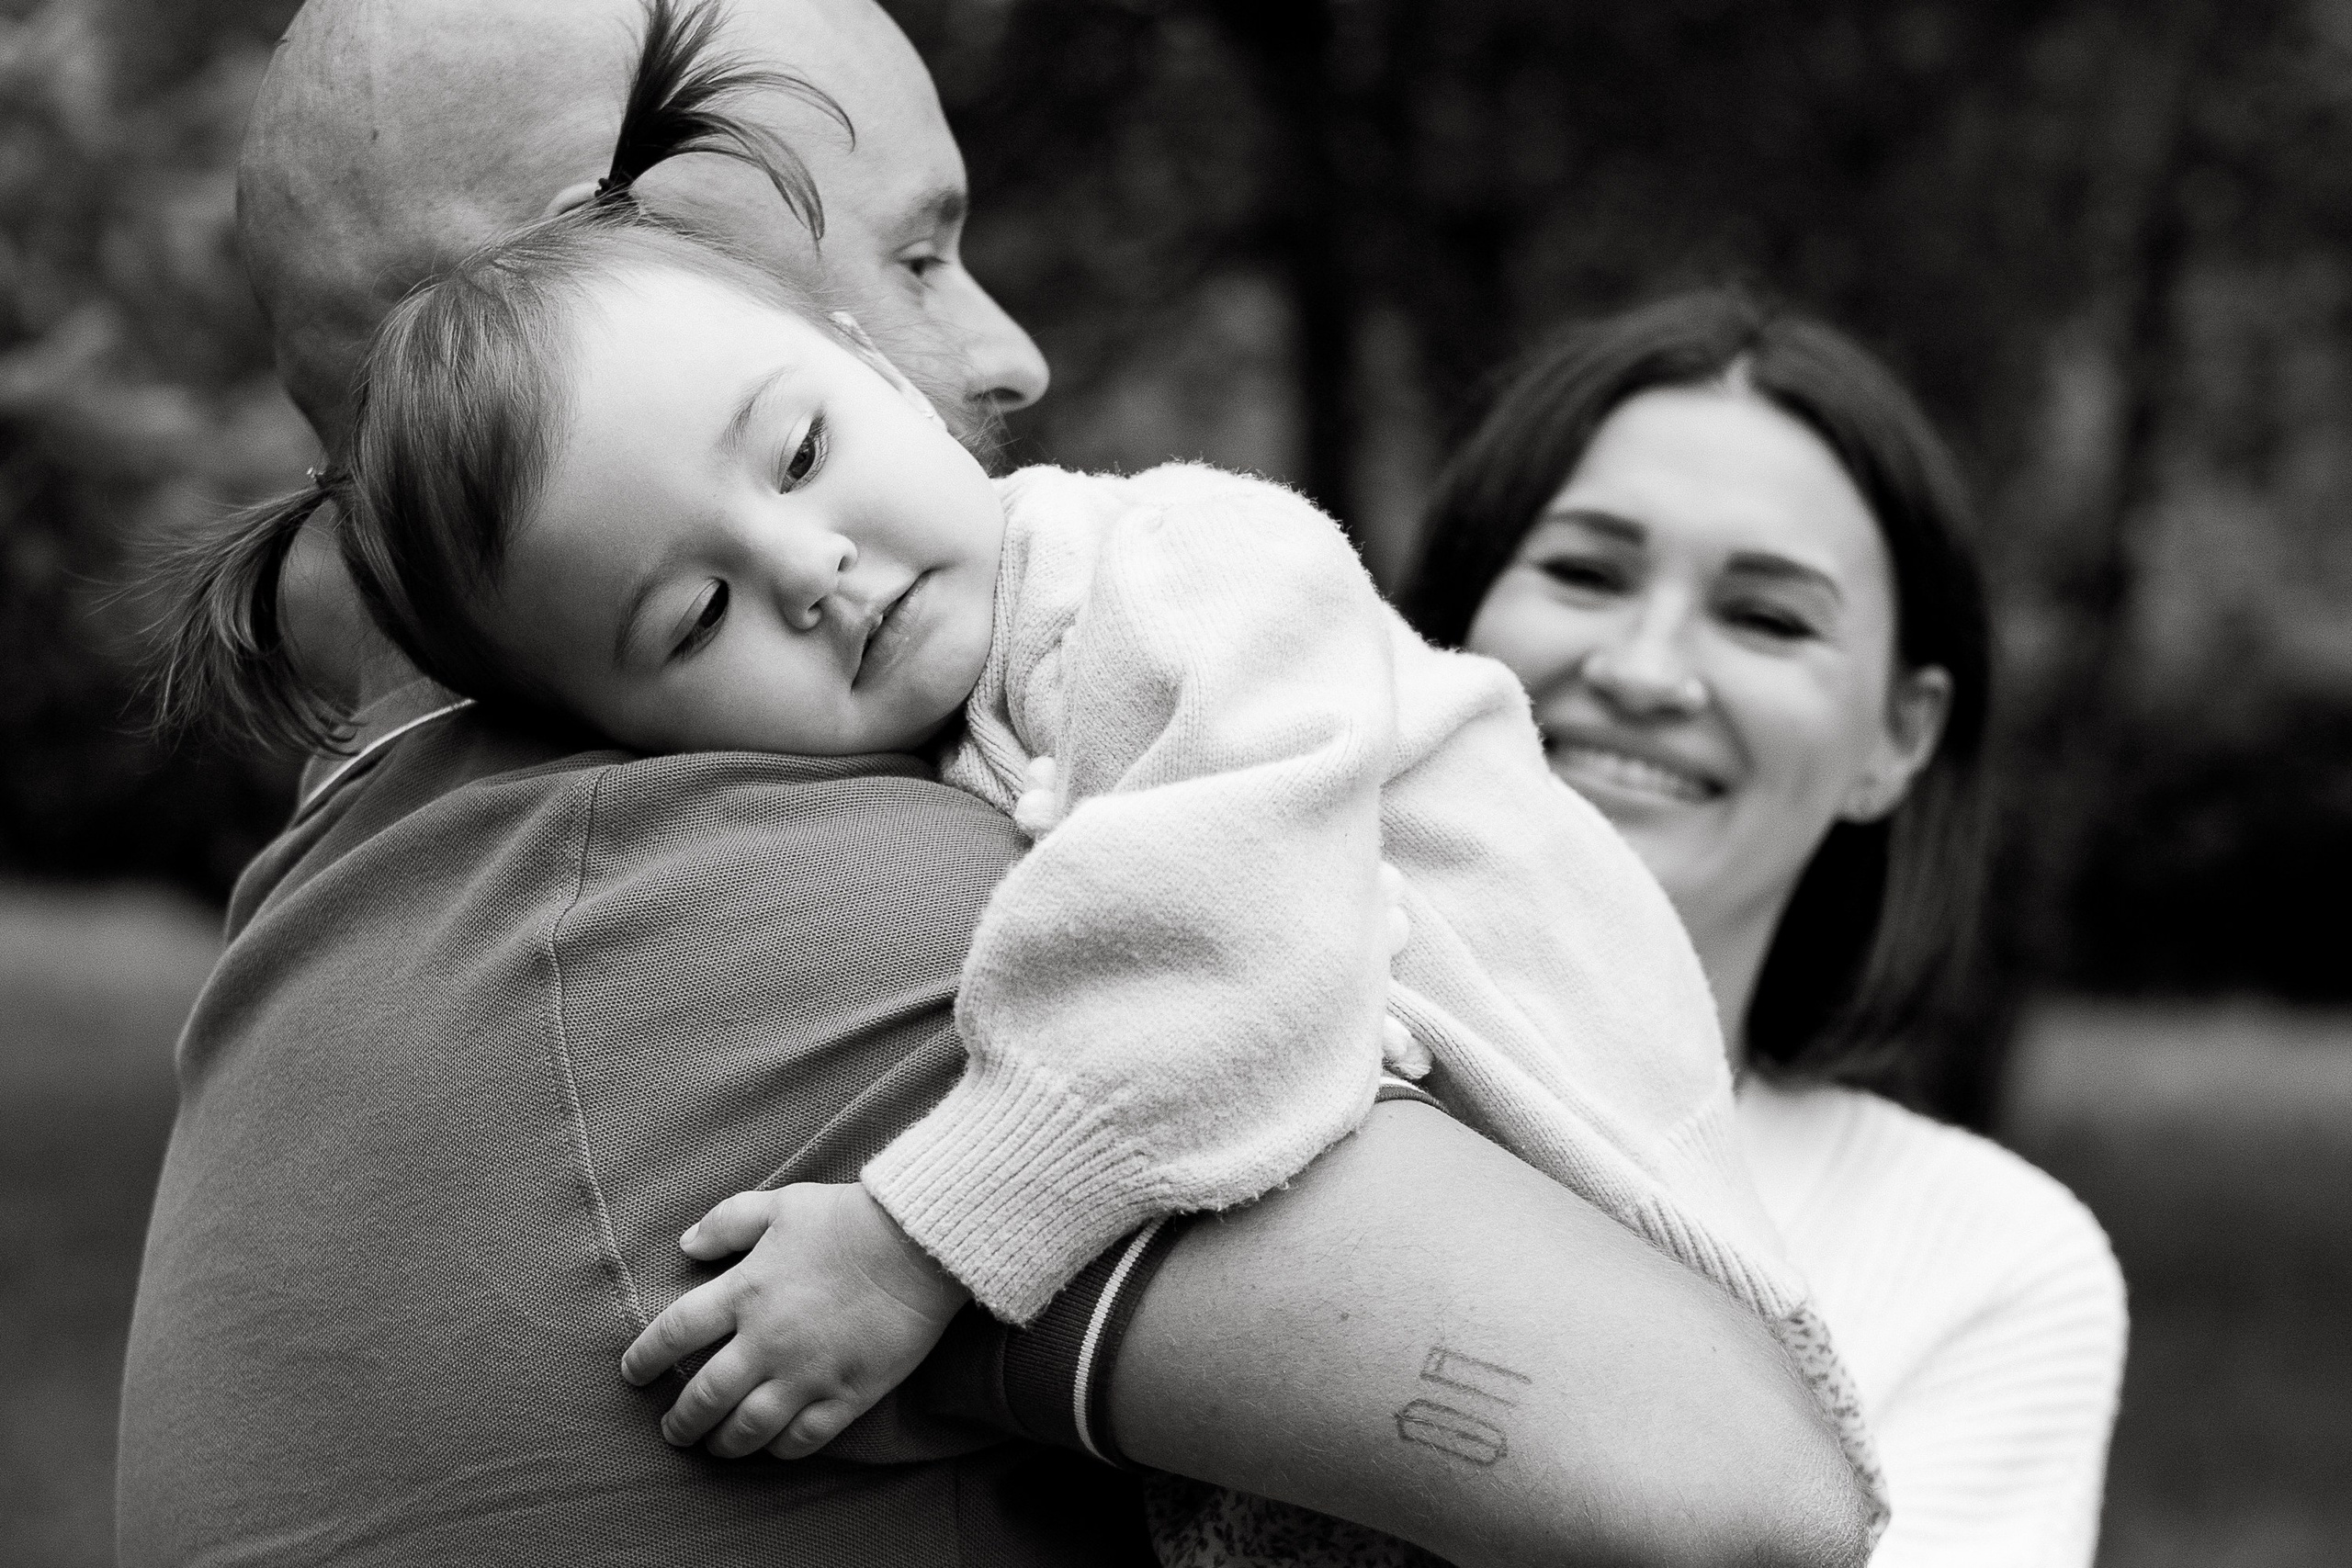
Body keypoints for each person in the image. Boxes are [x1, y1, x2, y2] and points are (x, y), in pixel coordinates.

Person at [116, 6, 1878, 1567]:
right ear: (598, 273)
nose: (1012, 349)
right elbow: (1735, 1492)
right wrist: (936, 1241)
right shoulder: (833, 917)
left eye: (807, 438)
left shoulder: (352, 922)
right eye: (911, 252)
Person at [1401, 288, 2130, 1566]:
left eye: (1768, 618)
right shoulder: (1210, 1065)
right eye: (1584, 573)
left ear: (1897, 737)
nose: (1643, 670)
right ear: (1446, 632)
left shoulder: (1988, 1265)